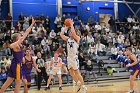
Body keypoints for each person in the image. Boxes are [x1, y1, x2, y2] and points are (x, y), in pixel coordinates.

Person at [0, 18, 35, 93]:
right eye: (20, 36)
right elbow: (11, 46)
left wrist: (32, 24)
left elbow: (26, 33)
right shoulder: (16, 45)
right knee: (18, 83)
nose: (21, 36)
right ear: (17, 38)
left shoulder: (20, 43)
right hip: (17, 66)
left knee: (8, 81)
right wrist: (17, 42)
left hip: (15, 65)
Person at [60, 19, 87, 93]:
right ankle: (78, 83)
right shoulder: (68, 39)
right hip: (69, 58)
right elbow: (61, 35)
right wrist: (66, 27)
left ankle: (84, 87)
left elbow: (74, 33)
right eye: (70, 32)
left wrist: (71, 24)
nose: (70, 32)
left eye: (71, 31)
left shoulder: (77, 38)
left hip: (74, 58)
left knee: (77, 72)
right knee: (71, 73)